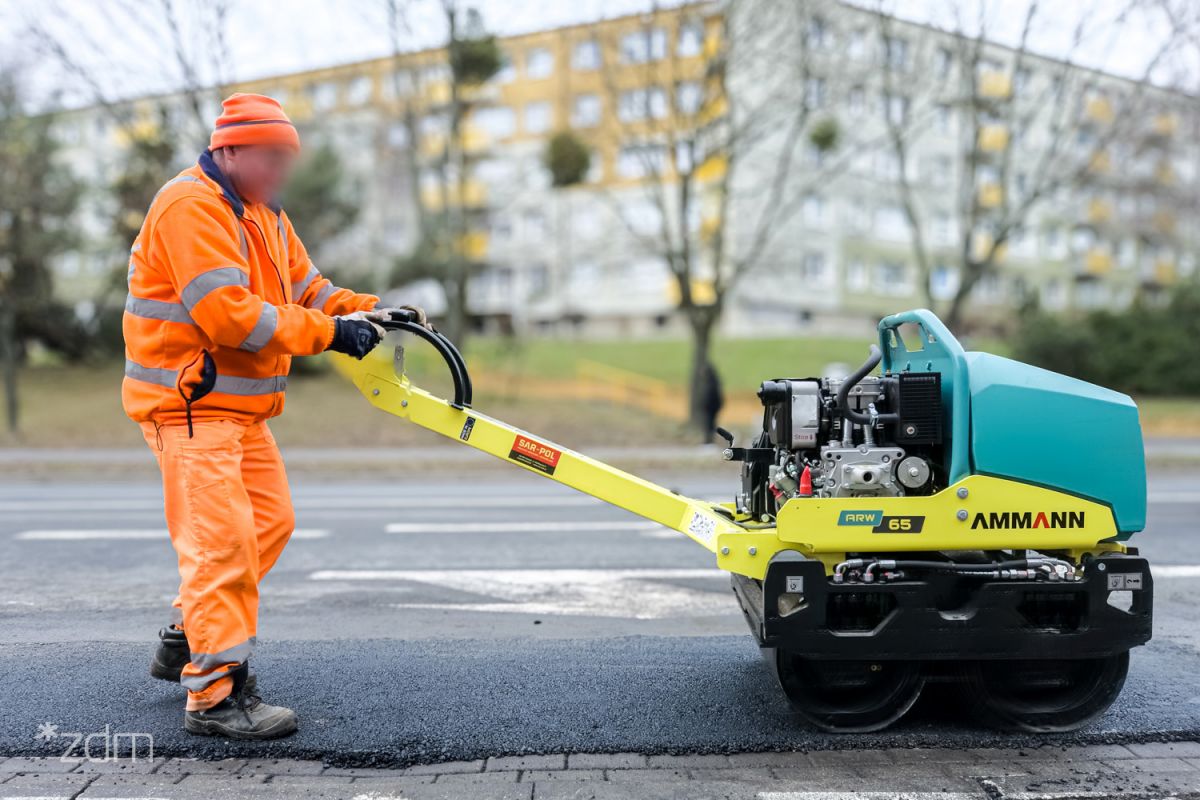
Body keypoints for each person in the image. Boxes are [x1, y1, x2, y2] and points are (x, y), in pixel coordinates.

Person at [123, 93, 426, 740]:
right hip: (192, 408)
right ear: (229, 150)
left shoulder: (261, 212)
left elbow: (309, 289)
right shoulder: (190, 206)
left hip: (239, 412)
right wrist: (331, 335)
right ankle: (214, 696)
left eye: (287, 158)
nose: (282, 171)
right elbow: (229, 316)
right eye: (272, 157)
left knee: (269, 524)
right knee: (223, 547)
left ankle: (187, 632)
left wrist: (373, 311)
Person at [698, 359, 724, 444]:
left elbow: (711, 396)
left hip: (711, 407)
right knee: (709, 425)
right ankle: (709, 441)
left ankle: (709, 441)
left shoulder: (711, 382)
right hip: (711, 407)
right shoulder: (712, 381)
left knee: (710, 425)